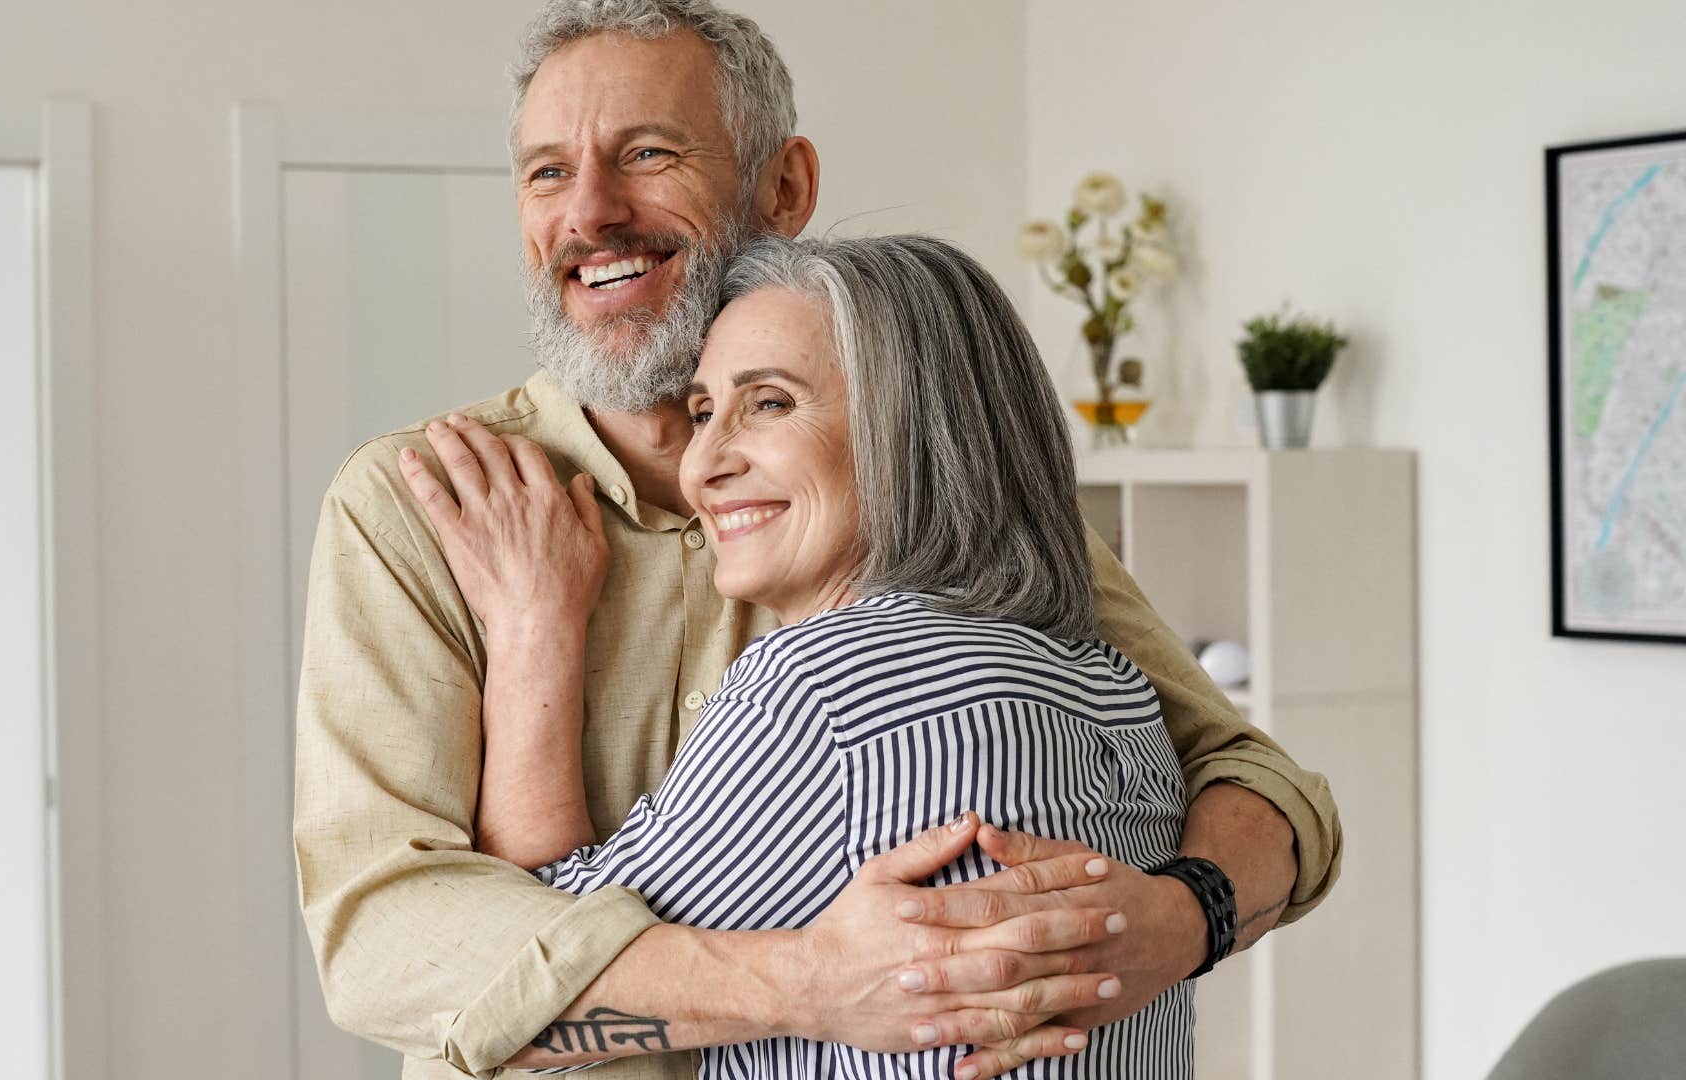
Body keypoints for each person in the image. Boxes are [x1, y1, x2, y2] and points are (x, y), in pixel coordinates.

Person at [292, 2, 1340, 1077]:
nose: (590, 213)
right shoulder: (418, 505)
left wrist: (1181, 920)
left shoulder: (939, 500)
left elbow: (1255, 780)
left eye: (647, 154)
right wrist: (810, 983)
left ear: (784, 187)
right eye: (546, 172)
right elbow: (384, 943)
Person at [402, 232, 1197, 1080]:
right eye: (703, 411)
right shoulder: (1117, 688)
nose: (705, 463)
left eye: (770, 403)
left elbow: (533, 987)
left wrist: (535, 624)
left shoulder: (826, 688)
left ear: (915, 432)